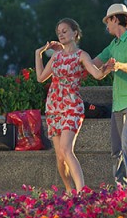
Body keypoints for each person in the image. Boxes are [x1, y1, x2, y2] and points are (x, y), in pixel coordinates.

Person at [35, 18, 106, 192]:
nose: (61, 34)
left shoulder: (82, 55)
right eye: (59, 32)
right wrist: (38, 55)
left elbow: (96, 75)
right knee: (60, 157)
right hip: (53, 107)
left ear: (75, 33)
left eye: (65, 31)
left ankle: (82, 192)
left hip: (72, 106)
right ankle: (69, 190)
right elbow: (40, 78)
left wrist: (108, 68)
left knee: (67, 149)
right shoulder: (57, 56)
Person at [91, 3, 127, 187]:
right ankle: (121, 191)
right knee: (116, 149)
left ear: (115, 19)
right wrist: (66, 53)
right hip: (118, 102)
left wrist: (118, 66)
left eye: (107, 21)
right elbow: (92, 63)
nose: (106, 25)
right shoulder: (113, 44)